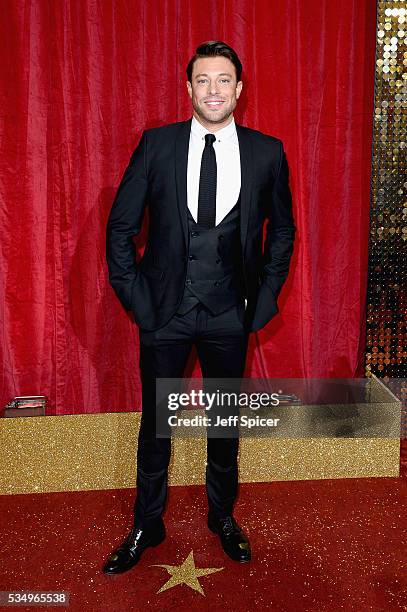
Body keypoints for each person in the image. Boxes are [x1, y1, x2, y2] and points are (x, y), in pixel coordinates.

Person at [103, 40, 295, 574]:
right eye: (203, 80)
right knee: (156, 423)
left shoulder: (267, 152)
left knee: (225, 420)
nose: (214, 90)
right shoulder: (157, 146)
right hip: (164, 310)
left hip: (231, 312)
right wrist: (136, 296)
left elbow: (283, 232)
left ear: (240, 88)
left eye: (224, 80)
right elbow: (120, 228)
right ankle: (148, 520)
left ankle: (222, 516)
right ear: (188, 89)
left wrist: (264, 299)